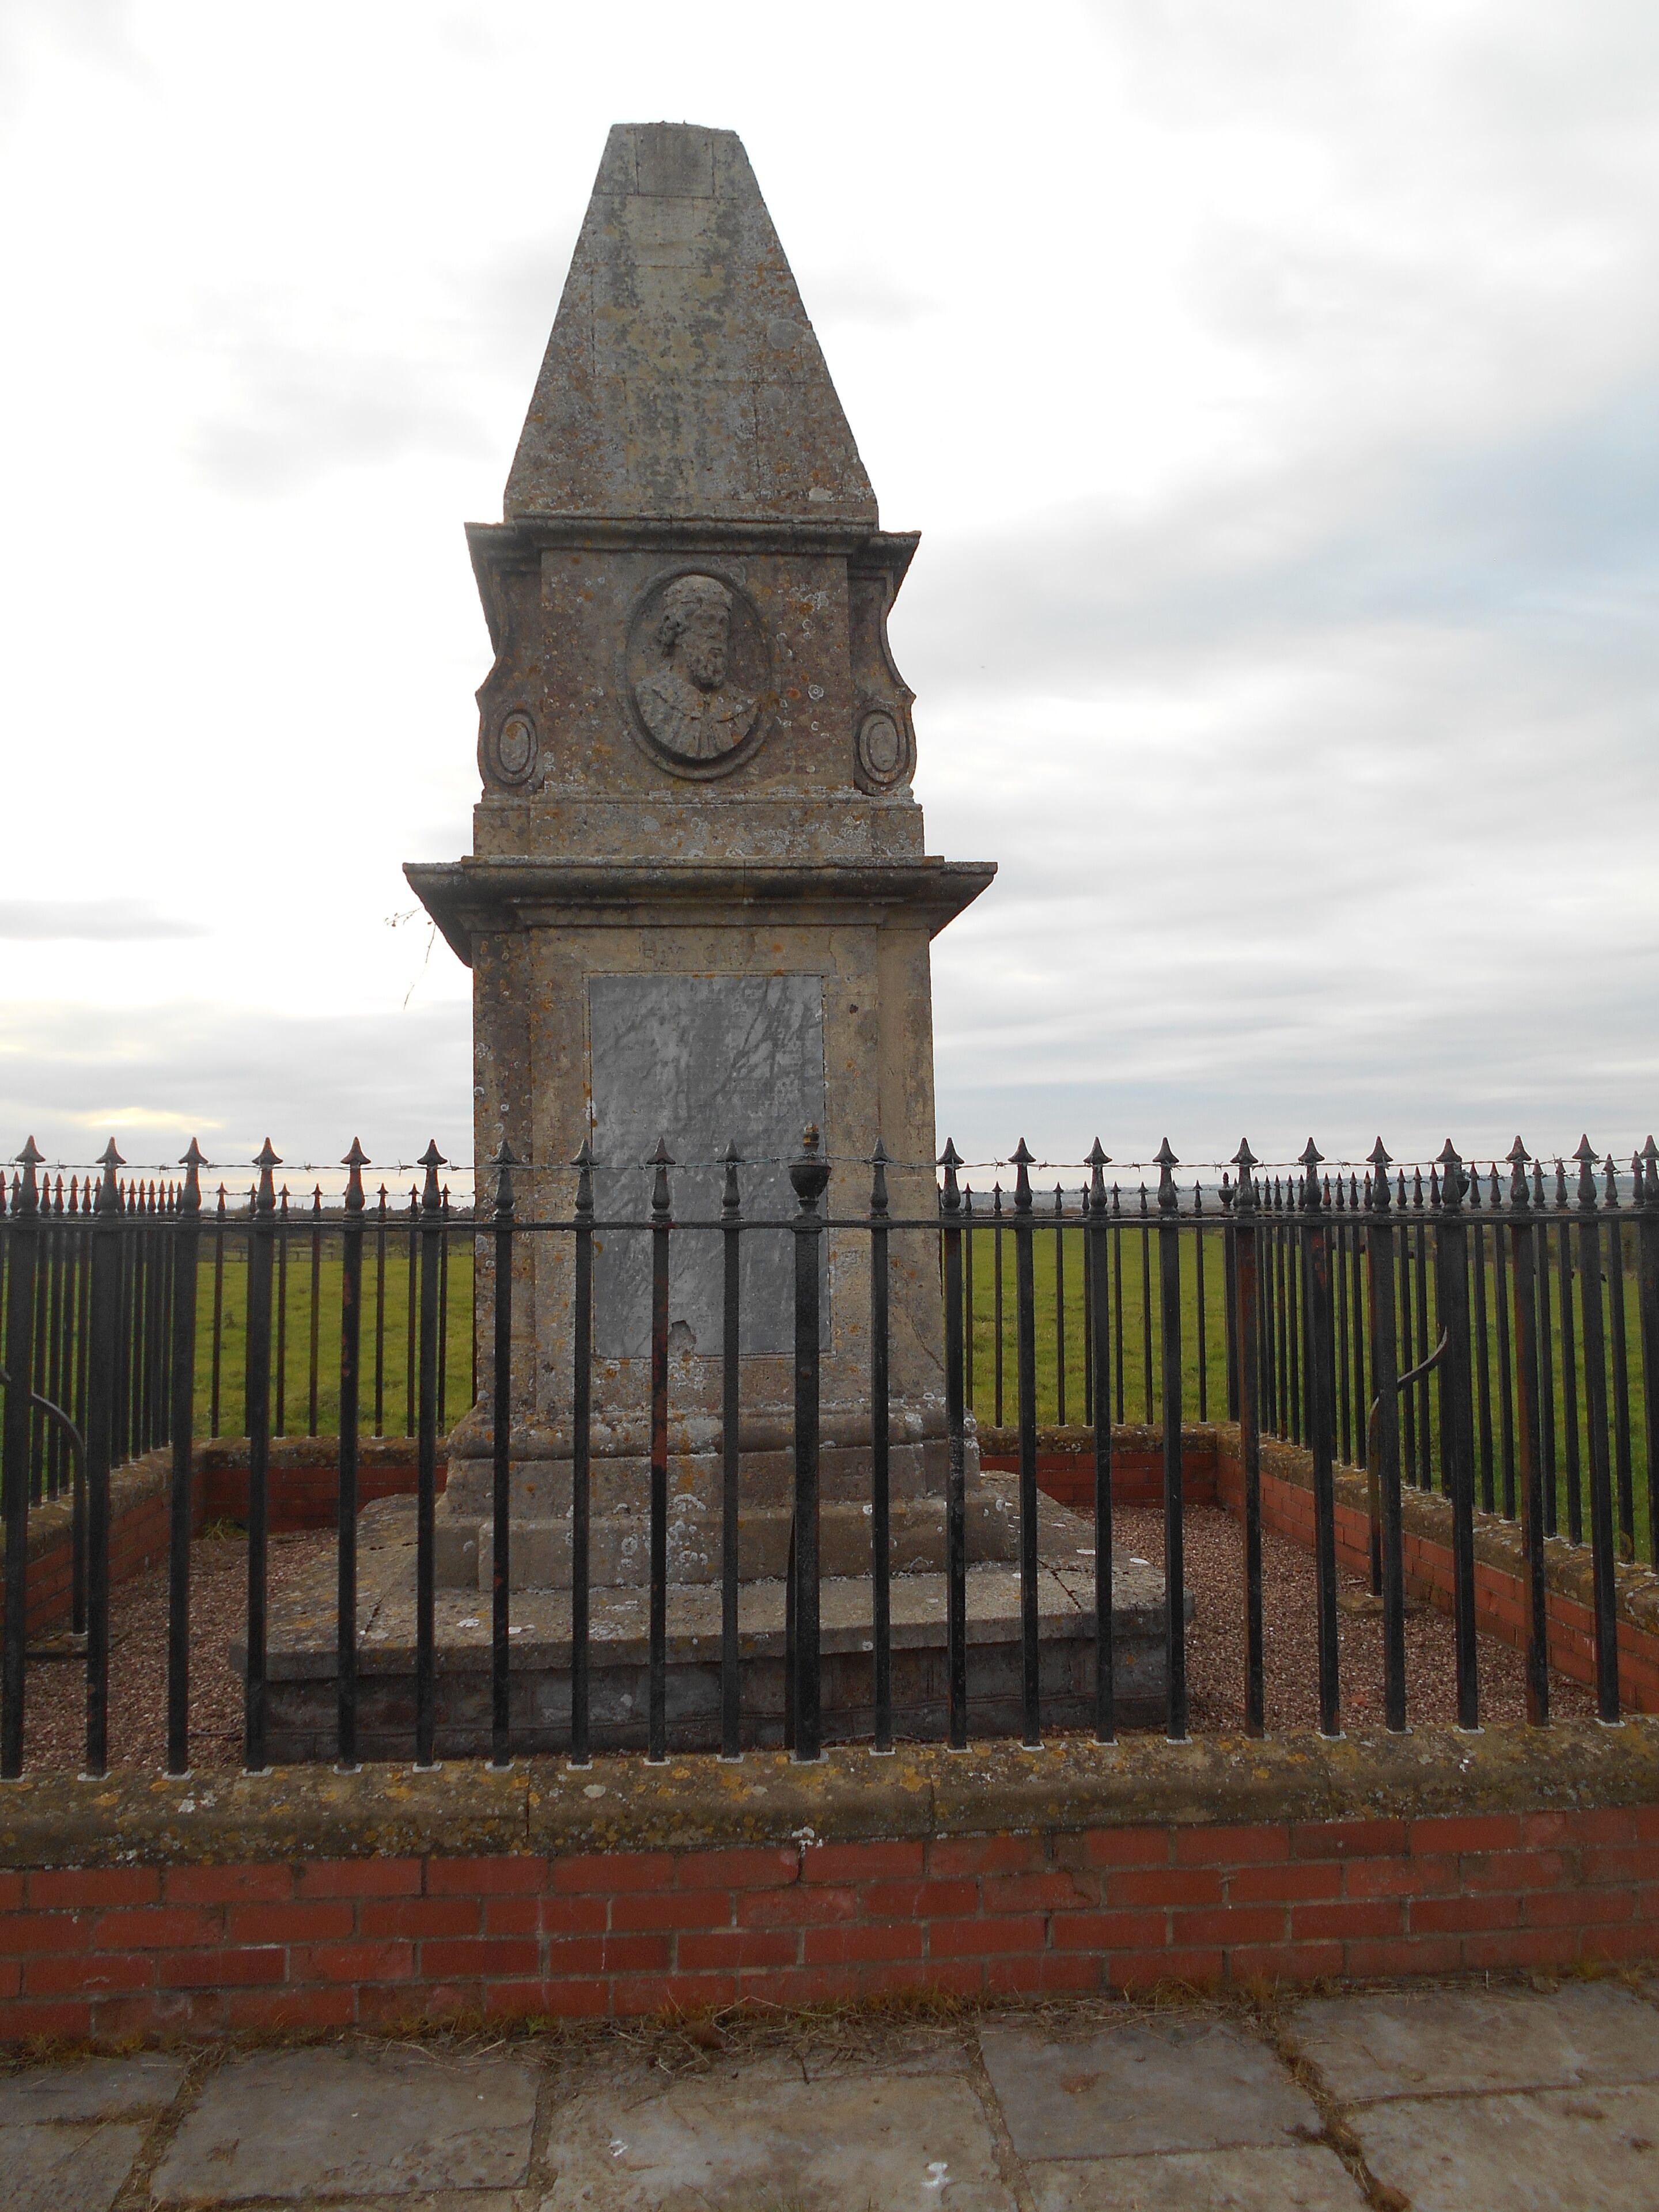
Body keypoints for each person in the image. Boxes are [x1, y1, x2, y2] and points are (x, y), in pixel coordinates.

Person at [634, 575, 756, 761]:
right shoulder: (651, 697)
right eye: (706, 621)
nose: (717, 635)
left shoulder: (743, 708)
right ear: (675, 630)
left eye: (722, 624)